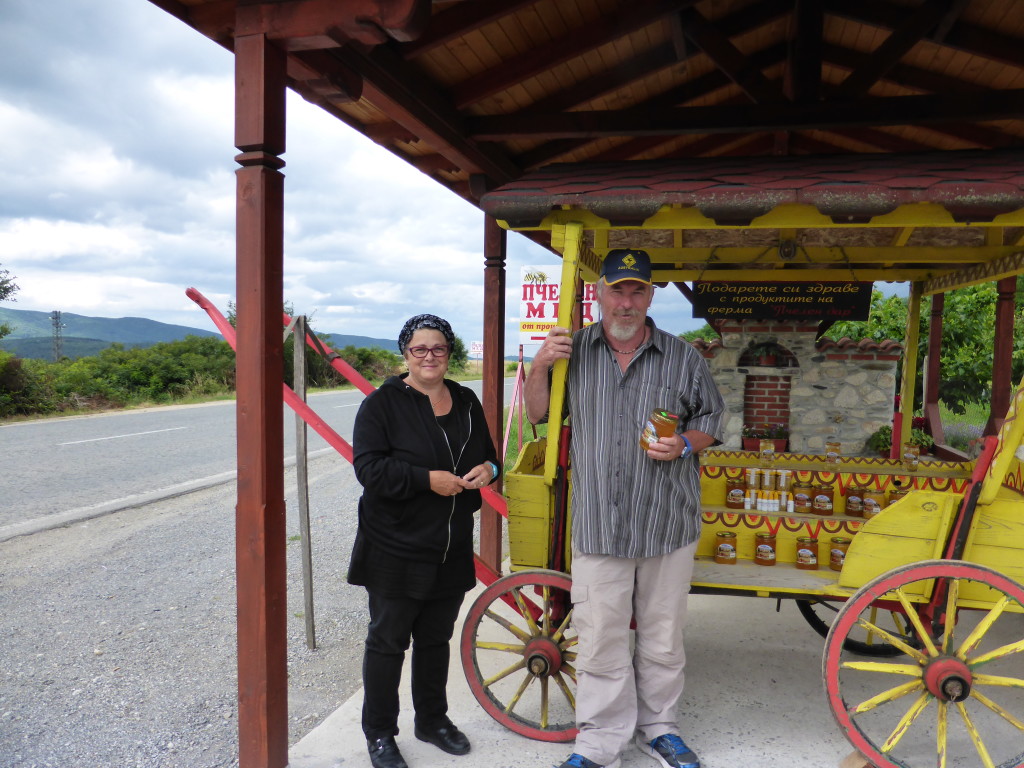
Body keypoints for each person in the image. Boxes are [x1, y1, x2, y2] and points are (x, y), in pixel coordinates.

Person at [524, 249, 725, 768]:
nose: (627, 301)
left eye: (638, 291)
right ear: (599, 294)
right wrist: (542, 363)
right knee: (599, 640)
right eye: (618, 290)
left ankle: (660, 729)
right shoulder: (571, 353)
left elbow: (713, 420)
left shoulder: (683, 357)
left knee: (662, 637)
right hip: (599, 524)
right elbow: (539, 413)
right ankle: (599, 742)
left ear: (652, 295)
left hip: (666, 522)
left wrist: (683, 443)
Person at [348, 313, 500, 768]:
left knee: (435, 640)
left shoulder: (466, 399)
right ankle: (379, 733)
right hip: (396, 544)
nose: (429, 356)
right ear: (405, 354)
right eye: (420, 349)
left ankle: (432, 721)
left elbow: (489, 456)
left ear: (449, 353)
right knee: (387, 642)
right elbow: (368, 470)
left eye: (438, 348)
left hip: (450, 543)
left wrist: (491, 471)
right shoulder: (383, 404)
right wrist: (424, 480)